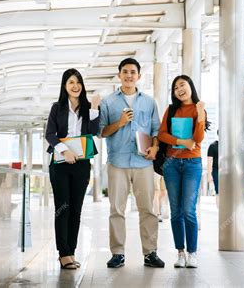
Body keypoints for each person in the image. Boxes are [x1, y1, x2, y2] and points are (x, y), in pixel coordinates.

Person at [99, 58, 165, 268]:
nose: (129, 75)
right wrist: (119, 123)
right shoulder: (108, 102)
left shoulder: (149, 102)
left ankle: (150, 253)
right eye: (125, 72)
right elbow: (101, 132)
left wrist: (155, 148)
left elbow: (156, 130)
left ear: (138, 76)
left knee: (147, 209)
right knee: (117, 210)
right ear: (119, 75)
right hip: (117, 162)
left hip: (143, 162)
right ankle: (117, 253)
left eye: (133, 72)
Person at [45, 68, 100, 270]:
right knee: (63, 208)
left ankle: (71, 251)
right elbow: (50, 134)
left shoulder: (88, 107)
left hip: (82, 163)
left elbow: (94, 132)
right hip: (60, 163)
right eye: (71, 82)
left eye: (78, 82)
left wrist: (94, 108)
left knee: (76, 209)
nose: (75, 86)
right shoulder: (56, 108)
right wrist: (64, 150)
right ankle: (63, 253)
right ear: (65, 86)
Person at [158, 75, 210, 268]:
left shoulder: (198, 109)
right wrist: (181, 142)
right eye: (175, 87)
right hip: (172, 164)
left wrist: (201, 115)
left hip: (192, 163)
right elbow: (162, 135)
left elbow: (198, 138)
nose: (179, 89)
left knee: (189, 210)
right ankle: (180, 253)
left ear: (190, 87)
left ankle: (192, 253)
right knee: (176, 211)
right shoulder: (171, 110)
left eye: (182, 85)